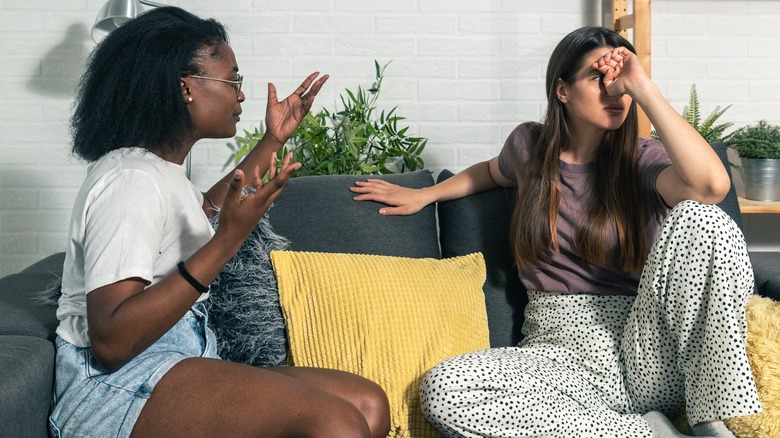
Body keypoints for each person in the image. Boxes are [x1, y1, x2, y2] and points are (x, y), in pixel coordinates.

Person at [350, 26, 761, 438]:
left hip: (648, 349)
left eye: (621, 80)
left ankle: (709, 420)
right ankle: (647, 434)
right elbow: (491, 172)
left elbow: (711, 188)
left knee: (704, 217)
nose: (614, 91)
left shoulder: (643, 159)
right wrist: (426, 194)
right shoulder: (529, 148)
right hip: (560, 356)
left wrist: (642, 87)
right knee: (446, 390)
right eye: (598, 78)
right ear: (562, 90)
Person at [50, 6, 390, 438]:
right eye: (234, 81)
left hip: (181, 359)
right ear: (186, 88)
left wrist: (274, 139)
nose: (242, 96)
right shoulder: (130, 182)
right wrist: (228, 241)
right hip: (112, 387)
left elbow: (205, 213)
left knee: (368, 404)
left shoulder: (159, 170)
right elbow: (112, 341)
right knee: (335, 424)